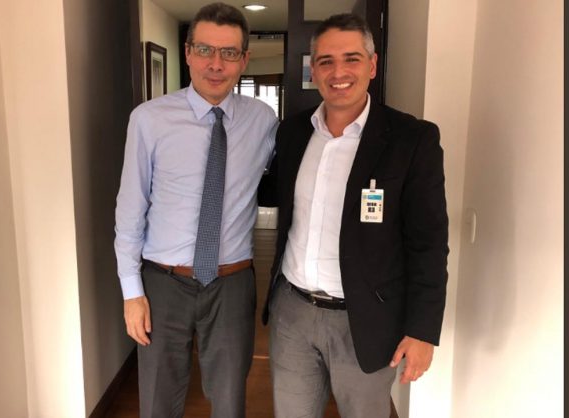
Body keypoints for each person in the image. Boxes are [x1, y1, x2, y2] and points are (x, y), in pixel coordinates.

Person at [260, 13, 449, 417]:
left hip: (366, 319)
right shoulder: (293, 132)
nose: (338, 72)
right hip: (292, 313)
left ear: (372, 65)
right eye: (326, 61)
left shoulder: (412, 140)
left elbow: (429, 244)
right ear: (313, 70)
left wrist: (422, 331)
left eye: (352, 58)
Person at [114, 3, 278, 417]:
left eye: (229, 53)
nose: (216, 64)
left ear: (244, 59)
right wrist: (132, 293)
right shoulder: (149, 120)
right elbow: (130, 210)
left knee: (229, 401)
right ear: (188, 53)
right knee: (158, 400)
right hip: (163, 283)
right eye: (205, 50)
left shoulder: (263, 120)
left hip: (232, 283)